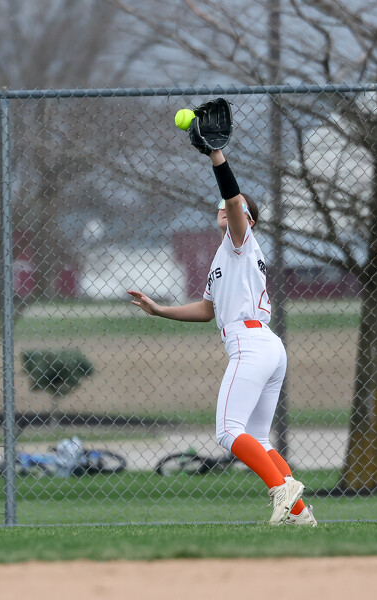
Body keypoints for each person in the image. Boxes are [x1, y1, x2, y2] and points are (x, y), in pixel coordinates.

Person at [128, 148, 317, 526]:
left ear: (247, 219)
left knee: (228, 431)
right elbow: (207, 309)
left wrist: (216, 154)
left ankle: (281, 488)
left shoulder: (240, 241)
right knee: (258, 439)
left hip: (251, 343)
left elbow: (232, 198)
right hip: (267, 345)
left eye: (235, 208)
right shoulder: (224, 256)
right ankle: (299, 515)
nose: (226, 208)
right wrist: (160, 310)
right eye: (225, 206)